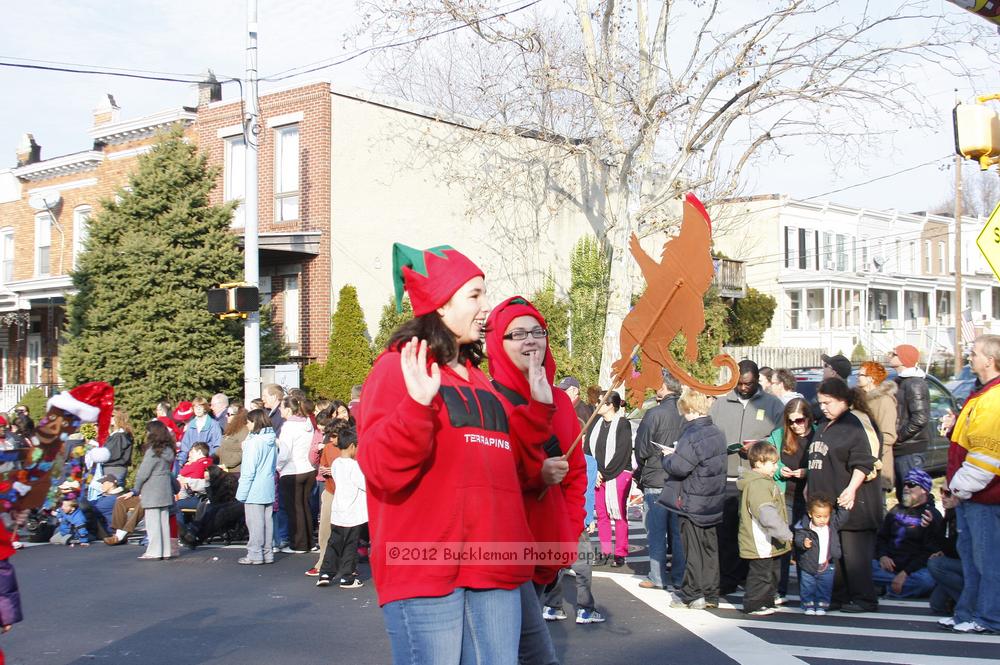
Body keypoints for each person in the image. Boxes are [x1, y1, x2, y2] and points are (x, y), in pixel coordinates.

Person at [357, 243, 551, 664]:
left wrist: (537, 409)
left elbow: (514, 470)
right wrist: (415, 408)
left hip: (495, 569)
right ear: (439, 306)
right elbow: (380, 470)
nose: (487, 306)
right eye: (475, 294)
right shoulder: (398, 368)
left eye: (486, 293)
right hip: (426, 571)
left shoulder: (482, 383)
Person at [485, 295, 587, 664]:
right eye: (517, 334)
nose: (530, 341)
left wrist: (569, 531)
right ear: (497, 342)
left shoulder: (561, 401)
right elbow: (487, 477)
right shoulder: (487, 401)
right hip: (501, 552)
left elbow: (576, 476)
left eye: (537, 332)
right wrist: (535, 476)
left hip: (547, 551)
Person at [938, 334, 1000, 634]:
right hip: (973, 495)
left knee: (987, 562)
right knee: (972, 559)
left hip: (983, 496)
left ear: (990, 360)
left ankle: (988, 617)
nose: (970, 357)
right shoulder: (983, 394)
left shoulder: (994, 397)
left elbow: (986, 455)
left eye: (974, 353)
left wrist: (959, 489)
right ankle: (968, 613)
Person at [808, 378, 883, 613]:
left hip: (854, 502)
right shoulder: (824, 424)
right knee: (836, 552)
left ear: (843, 400)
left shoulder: (853, 424)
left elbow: (864, 461)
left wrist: (851, 488)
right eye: (820, 403)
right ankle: (838, 596)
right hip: (828, 502)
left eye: (828, 403)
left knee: (854, 555)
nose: (823, 407)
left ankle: (864, 599)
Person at [710, 359, 784, 594]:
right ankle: (728, 578)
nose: (744, 388)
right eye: (740, 384)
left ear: (757, 382)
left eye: (749, 384)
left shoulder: (773, 405)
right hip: (728, 477)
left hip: (758, 479)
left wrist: (757, 449)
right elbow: (711, 435)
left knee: (755, 532)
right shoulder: (720, 404)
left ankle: (751, 578)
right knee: (728, 532)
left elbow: (780, 438)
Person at [661, 388, 727, 610]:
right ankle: (711, 593)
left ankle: (692, 594)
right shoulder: (717, 432)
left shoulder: (691, 434)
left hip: (692, 499)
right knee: (710, 548)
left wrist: (668, 457)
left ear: (689, 408)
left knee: (692, 549)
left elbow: (679, 467)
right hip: (713, 498)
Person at [634, 369, 686, 590]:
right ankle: (679, 576)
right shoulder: (686, 412)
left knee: (656, 531)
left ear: (664, 388)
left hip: (656, 477)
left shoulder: (654, 414)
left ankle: (657, 576)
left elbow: (642, 449)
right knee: (677, 532)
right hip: (680, 478)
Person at [542, 450, 606, 624]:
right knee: (583, 564)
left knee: (557, 564)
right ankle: (585, 609)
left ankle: (552, 605)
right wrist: (588, 519)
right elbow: (587, 492)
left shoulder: (549, 457)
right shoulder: (588, 461)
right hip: (575, 518)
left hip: (554, 518)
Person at [765, 397, 812, 599]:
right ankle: (779, 588)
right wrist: (780, 471)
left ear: (809, 419)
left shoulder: (818, 435)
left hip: (810, 496)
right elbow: (767, 460)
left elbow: (826, 464)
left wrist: (808, 472)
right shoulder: (780, 435)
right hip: (786, 495)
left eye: (799, 420)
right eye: (791, 421)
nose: (795, 425)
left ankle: (807, 590)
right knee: (783, 540)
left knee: (806, 543)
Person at [738, 441, 792, 616]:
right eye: (773, 463)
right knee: (760, 574)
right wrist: (785, 533)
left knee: (771, 572)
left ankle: (767, 600)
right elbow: (765, 513)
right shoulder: (758, 484)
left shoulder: (764, 482)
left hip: (770, 539)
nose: (775, 467)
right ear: (759, 463)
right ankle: (753, 604)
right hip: (760, 539)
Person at [871, 468, 942, 599]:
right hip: (889, 566)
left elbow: (929, 551)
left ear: (924, 490)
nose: (906, 488)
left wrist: (905, 573)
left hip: (914, 570)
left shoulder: (932, 515)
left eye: (911, 485)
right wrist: (882, 556)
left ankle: (887, 588)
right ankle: (895, 588)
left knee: (926, 581)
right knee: (861, 568)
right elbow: (881, 538)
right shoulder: (896, 510)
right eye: (904, 484)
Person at [586, 390, 633, 567]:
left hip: (618, 473)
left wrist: (604, 474)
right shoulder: (595, 423)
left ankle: (620, 553)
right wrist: (594, 471)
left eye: (601, 402)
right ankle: (605, 551)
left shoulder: (622, 424)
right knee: (602, 514)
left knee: (618, 513)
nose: (597, 404)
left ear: (611, 405)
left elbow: (622, 453)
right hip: (598, 474)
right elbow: (588, 449)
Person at [316, 427, 367, 588]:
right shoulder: (355, 466)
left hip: (338, 512)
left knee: (334, 543)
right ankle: (347, 577)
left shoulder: (337, 463)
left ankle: (325, 573)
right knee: (350, 546)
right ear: (352, 446)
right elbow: (365, 485)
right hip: (353, 513)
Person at [307, 415, 351, 577]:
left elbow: (357, 471)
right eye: (329, 435)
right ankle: (323, 561)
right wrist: (325, 471)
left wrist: (335, 471)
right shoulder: (328, 447)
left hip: (348, 494)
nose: (331, 439)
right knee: (325, 529)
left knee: (347, 531)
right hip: (330, 490)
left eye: (334, 436)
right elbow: (322, 466)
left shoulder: (352, 448)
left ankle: (347, 565)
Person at [888, 344, 930, 503]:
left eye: (894, 353)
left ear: (903, 359)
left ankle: (920, 525)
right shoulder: (900, 381)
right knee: (902, 495)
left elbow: (920, 418)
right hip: (902, 448)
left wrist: (898, 437)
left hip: (911, 448)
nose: (890, 356)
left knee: (913, 495)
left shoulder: (914, 383)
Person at [235, 409, 278, 565]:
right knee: (267, 522)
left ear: (254, 422)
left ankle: (255, 554)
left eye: (248, 422)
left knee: (254, 523)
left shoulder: (253, 443)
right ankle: (268, 553)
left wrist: (241, 493)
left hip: (254, 488)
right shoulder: (271, 439)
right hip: (267, 485)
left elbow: (248, 470)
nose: (246, 425)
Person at [794, 495, 848, 615]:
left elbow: (842, 518)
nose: (822, 520)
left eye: (825, 516)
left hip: (827, 563)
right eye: (818, 516)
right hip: (808, 563)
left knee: (825, 587)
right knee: (807, 586)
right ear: (810, 514)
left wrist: (843, 506)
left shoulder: (831, 526)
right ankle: (808, 605)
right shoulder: (804, 527)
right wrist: (803, 543)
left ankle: (821, 606)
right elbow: (797, 538)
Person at [276, 394, 317, 554]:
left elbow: (285, 453)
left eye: (281, 407)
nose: (280, 409)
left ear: (288, 409)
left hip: (292, 470)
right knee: (304, 506)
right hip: (308, 468)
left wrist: (278, 467)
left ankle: (298, 544)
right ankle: (308, 541)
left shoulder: (288, 427)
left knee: (294, 508)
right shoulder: (307, 423)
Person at [133, 420, 176, 561]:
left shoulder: (152, 451)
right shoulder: (169, 450)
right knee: (163, 521)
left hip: (152, 488)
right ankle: (165, 551)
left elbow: (143, 473)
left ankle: (154, 551)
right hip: (164, 487)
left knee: (152, 522)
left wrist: (136, 488)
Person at [857, 361, 898, 494]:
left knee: (878, 509)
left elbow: (888, 436)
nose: (858, 377)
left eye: (861, 374)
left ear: (871, 378)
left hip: (879, 464)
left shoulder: (885, 401)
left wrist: (869, 447)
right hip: (861, 463)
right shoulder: (859, 399)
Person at [928, 483, 961, 616]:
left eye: (947, 493)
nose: (942, 496)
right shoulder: (948, 516)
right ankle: (963, 601)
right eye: (941, 491)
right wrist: (933, 526)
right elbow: (943, 544)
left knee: (935, 564)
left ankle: (969, 604)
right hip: (955, 564)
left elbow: (955, 547)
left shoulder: (962, 516)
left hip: (968, 565)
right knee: (937, 605)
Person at [177, 397, 223, 468]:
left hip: (208, 464)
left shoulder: (214, 424)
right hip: (191, 463)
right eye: (195, 407)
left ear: (205, 408)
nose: (198, 409)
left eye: (200, 407)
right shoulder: (191, 424)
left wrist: (203, 459)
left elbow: (217, 446)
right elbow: (185, 446)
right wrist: (180, 462)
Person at [102, 409, 133, 484]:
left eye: (112, 416)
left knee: (113, 493)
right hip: (114, 468)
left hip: (114, 469)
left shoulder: (119, 436)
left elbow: (112, 453)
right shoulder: (118, 435)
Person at [218, 407, 248, 474]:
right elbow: (222, 447)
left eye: (229, 414)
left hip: (236, 471)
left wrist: (226, 464)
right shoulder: (231, 429)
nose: (226, 416)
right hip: (225, 469)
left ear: (237, 416)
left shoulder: (243, 431)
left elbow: (243, 452)